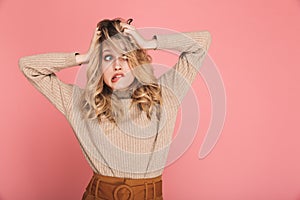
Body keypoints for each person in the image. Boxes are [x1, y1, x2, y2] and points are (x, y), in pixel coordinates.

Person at [18, 17, 211, 200]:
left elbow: (202, 42)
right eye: (108, 57)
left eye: (125, 57)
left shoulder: (165, 93)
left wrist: (147, 43)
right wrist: (86, 57)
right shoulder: (81, 102)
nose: (117, 65)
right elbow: (29, 67)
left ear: (136, 61)